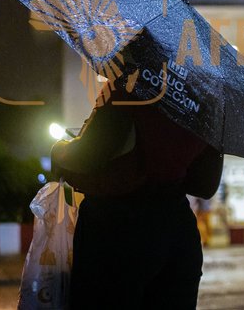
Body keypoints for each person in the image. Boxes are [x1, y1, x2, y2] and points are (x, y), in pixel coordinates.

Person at [52, 83, 223, 309]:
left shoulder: (131, 87)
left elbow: (88, 156)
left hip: (116, 230)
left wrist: (60, 151)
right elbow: (205, 185)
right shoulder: (206, 102)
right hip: (178, 235)